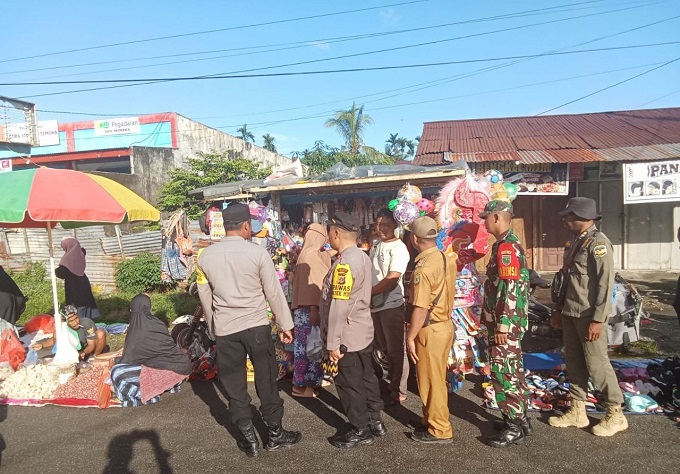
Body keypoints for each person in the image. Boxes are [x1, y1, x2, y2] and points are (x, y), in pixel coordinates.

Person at [197, 203, 301, 458]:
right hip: (256, 326)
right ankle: (275, 434)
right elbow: (273, 293)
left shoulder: (205, 257)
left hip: (226, 329)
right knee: (266, 380)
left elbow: (205, 296)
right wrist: (285, 325)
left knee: (234, 385)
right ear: (245, 226)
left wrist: (214, 327)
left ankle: (249, 439)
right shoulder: (257, 254)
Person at [549, 197, 627, 437]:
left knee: (597, 364)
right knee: (573, 361)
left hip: (588, 315)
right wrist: (558, 309)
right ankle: (577, 410)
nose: (565, 219)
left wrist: (598, 319)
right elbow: (568, 280)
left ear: (582, 217)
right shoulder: (577, 242)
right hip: (571, 311)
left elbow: (605, 286)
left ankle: (616, 413)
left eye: (569, 215)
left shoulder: (598, 244)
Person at [321, 212, 385, 449]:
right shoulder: (362, 256)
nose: (329, 236)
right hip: (362, 330)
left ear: (336, 233)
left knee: (349, 383)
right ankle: (374, 420)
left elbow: (338, 306)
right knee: (367, 377)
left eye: (330, 232)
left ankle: (360, 429)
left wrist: (332, 343)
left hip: (346, 335)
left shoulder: (344, 265)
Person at [479, 200, 531, 448]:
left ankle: (513, 427)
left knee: (504, 372)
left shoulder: (507, 248)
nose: (484, 222)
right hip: (506, 322)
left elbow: (510, 290)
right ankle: (519, 418)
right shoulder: (504, 244)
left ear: (497, 217)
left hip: (505, 325)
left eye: (486, 217)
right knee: (513, 370)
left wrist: (502, 326)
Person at [405, 216, 457, 444]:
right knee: (436, 378)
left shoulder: (423, 269)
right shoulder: (446, 259)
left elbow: (420, 307)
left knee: (431, 381)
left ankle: (439, 428)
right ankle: (431, 419)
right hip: (444, 325)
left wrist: (410, 336)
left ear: (414, 239)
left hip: (430, 328)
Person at [109, 294, 191, 407]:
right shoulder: (157, 323)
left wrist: (116, 362)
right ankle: (166, 386)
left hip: (165, 371)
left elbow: (129, 359)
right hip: (180, 369)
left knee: (117, 373)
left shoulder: (137, 329)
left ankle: (145, 396)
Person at [369, 208, 410, 405]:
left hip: (391, 304)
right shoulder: (375, 245)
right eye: (377, 224)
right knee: (383, 347)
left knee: (395, 348)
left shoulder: (399, 248)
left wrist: (370, 292)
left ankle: (400, 389)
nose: (380, 228)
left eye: (385, 225)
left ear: (395, 225)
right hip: (375, 304)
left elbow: (393, 278)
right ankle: (392, 383)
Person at [290, 223, 331, 397]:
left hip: (304, 311)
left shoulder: (306, 254)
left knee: (309, 347)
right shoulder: (311, 256)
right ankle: (299, 386)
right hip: (309, 310)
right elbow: (313, 285)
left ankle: (312, 380)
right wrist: (314, 309)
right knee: (307, 349)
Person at [55, 237, 100, 319]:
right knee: (85, 302)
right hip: (83, 281)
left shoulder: (67, 258)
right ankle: (88, 322)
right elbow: (83, 250)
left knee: (76, 305)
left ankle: (78, 323)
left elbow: (62, 274)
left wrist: (55, 271)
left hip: (73, 284)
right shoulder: (81, 253)